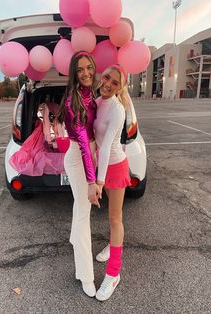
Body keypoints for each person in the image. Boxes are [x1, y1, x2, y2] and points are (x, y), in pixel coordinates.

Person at [58, 51, 100, 297]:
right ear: (74, 74)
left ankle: (75, 241)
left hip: (88, 154)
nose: (85, 73)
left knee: (79, 209)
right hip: (78, 157)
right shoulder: (72, 101)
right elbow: (83, 142)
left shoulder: (91, 94)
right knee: (84, 214)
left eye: (88, 68)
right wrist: (92, 181)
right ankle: (85, 275)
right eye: (80, 70)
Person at [93, 64, 131, 301]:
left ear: (120, 88)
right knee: (111, 215)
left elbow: (106, 146)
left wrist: (99, 180)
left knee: (115, 219)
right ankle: (110, 245)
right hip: (102, 165)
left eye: (115, 82)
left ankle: (113, 273)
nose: (108, 84)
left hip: (115, 166)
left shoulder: (118, 109)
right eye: (107, 77)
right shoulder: (97, 101)